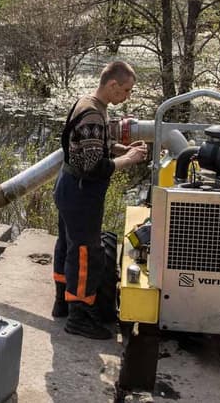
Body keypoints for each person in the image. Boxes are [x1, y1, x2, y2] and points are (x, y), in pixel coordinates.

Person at [53, 60, 147, 339]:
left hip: (68, 186)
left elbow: (93, 147)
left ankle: (63, 302)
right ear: (112, 84)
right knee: (86, 254)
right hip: (82, 193)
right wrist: (128, 160)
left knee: (67, 245)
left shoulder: (88, 103)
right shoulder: (93, 115)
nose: (127, 96)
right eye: (126, 90)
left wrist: (121, 149)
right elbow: (93, 166)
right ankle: (79, 317)